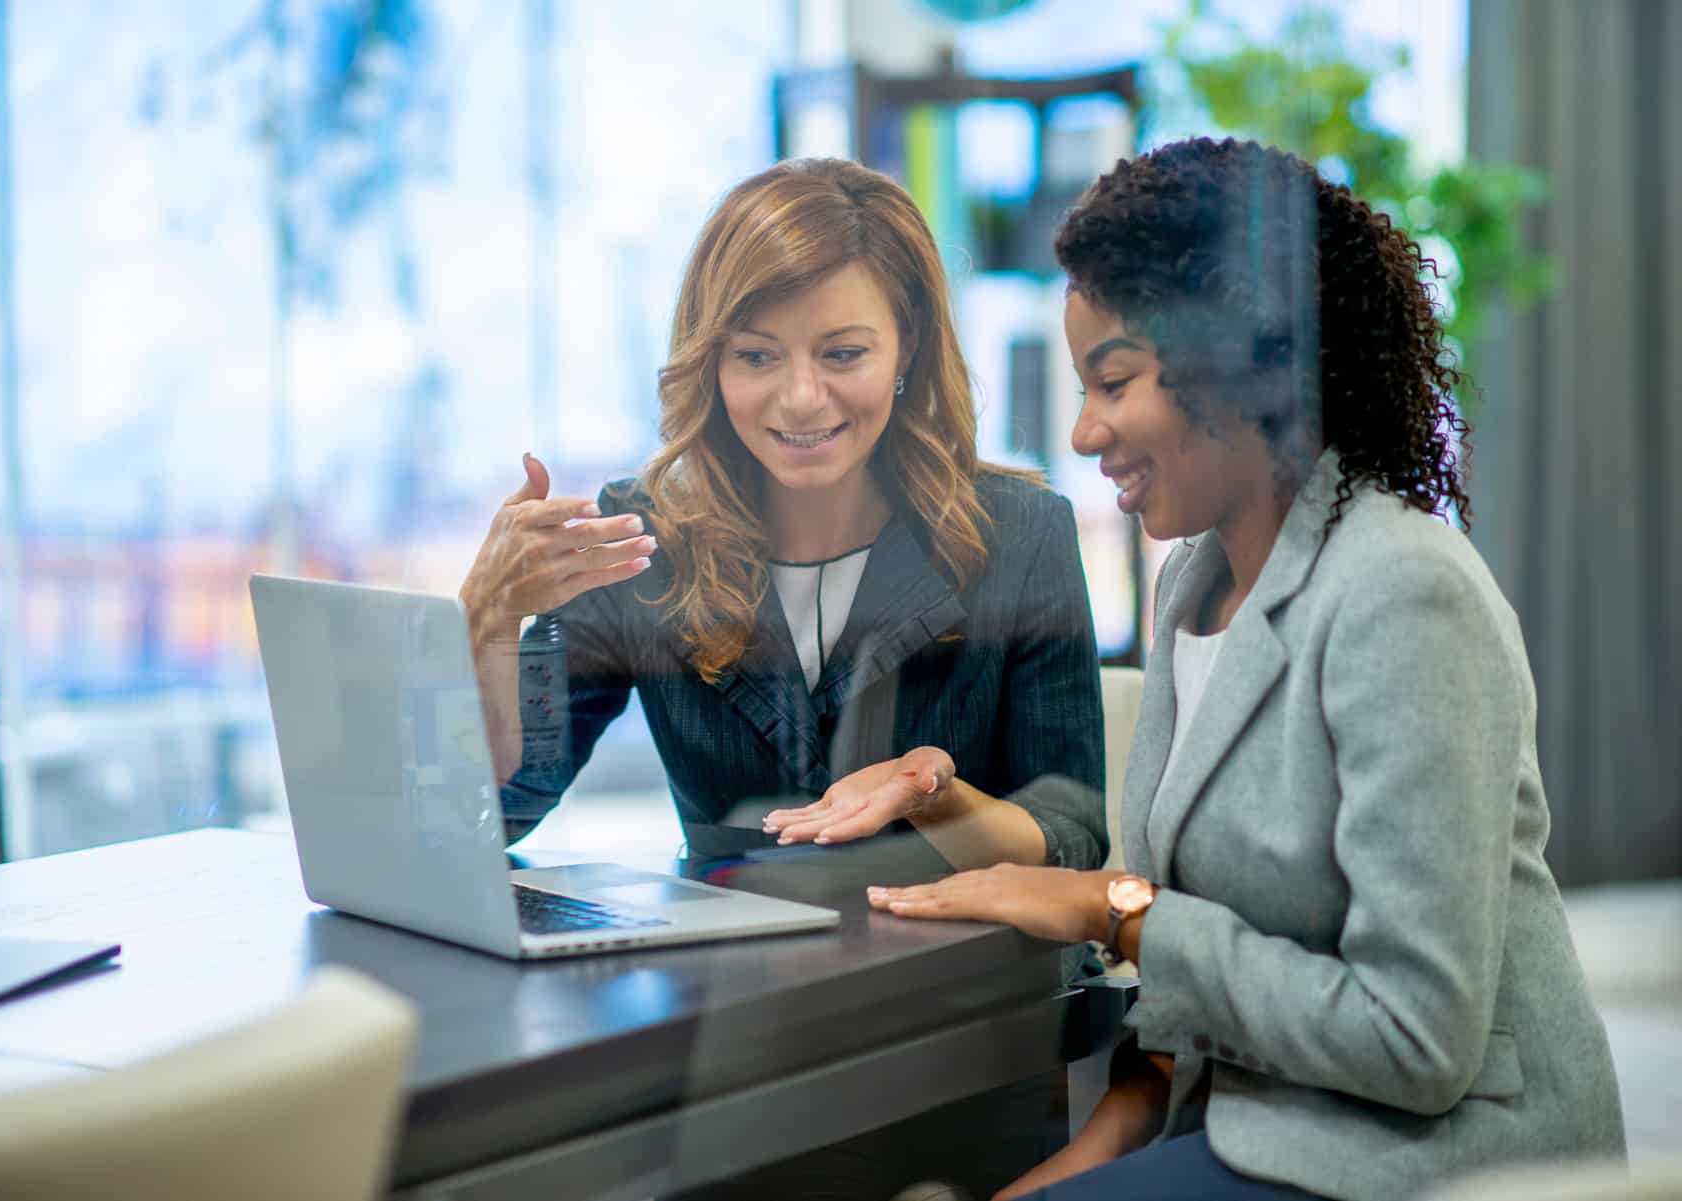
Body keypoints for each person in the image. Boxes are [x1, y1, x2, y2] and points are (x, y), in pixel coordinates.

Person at [773, 138, 1627, 1200]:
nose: (1085, 431)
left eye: (1114, 380)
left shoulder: (1405, 593)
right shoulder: (1195, 585)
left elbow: (1417, 1040)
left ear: (1241, 361)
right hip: (1267, 1126)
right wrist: (1093, 1150)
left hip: (1438, 1164)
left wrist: (1114, 909)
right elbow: (1201, 986)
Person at [459, 156, 1110, 1199]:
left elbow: (1074, 832)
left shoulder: (1017, 536)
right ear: (711, 365)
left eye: (842, 352)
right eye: (756, 355)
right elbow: (495, 809)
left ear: (906, 351)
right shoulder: (648, 539)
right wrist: (487, 625)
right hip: (740, 1020)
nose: (800, 397)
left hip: (965, 1016)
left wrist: (934, 789)